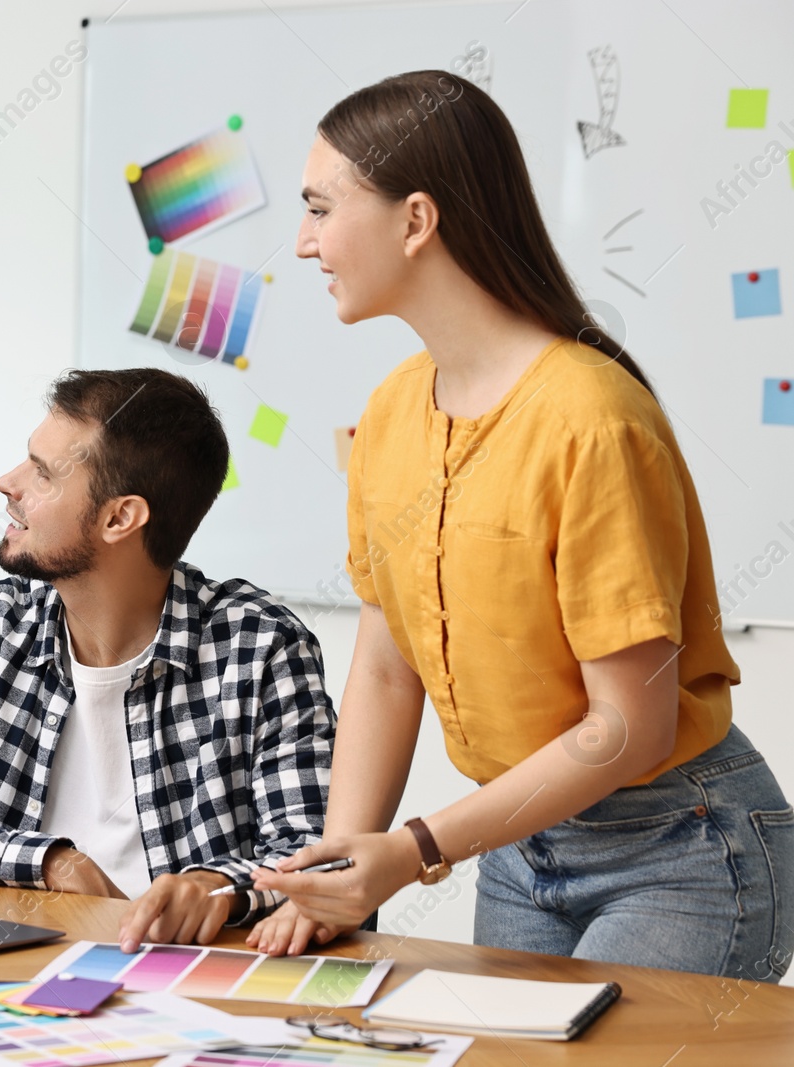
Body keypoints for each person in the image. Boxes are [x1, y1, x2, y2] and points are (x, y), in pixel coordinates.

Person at [248, 71, 794, 982]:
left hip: (683, 847)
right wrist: (339, 868)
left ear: (416, 220)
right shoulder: (388, 415)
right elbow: (387, 667)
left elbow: (629, 727)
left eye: (320, 209)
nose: (303, 243)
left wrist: (418, 845)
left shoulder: (591, 418)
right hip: (522, 841)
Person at [0, 368, 336, 950]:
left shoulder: (261, 647)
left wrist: (215, 888)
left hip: (179, 979)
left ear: (119, 518)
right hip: (10, 960)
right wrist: (49, 862)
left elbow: (316, 857)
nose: (7, 482)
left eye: (42, 473)